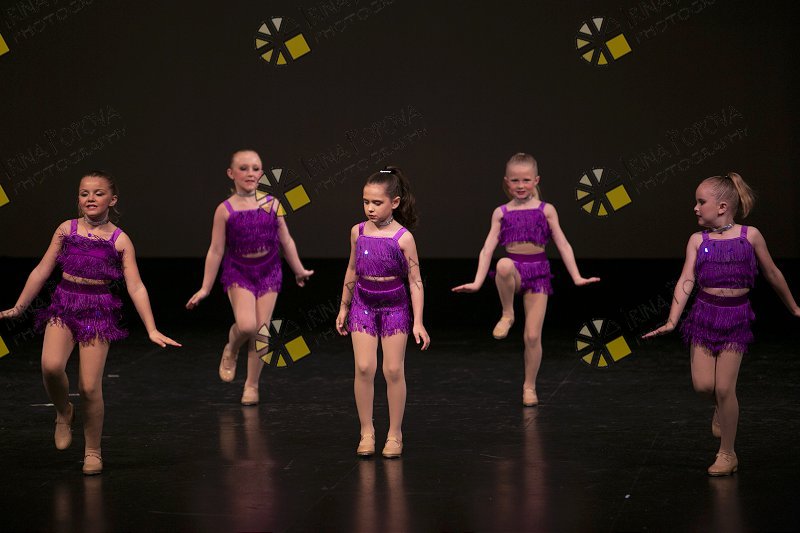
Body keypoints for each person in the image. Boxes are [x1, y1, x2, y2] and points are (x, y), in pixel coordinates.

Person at [0, 171, 180, 475]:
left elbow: (136, 286)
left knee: (88, 386)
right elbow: (42, 270)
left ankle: (93, 450)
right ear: (78, 198)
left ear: (113, 199)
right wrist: (20, 307)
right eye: (85, 193)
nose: (91, 198)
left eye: (98, 193)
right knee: (50, 366)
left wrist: (151, 328)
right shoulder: (66, 229)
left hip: (97, 310)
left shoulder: (119, 240)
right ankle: (63, 411)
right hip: (64, 303)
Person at [643, 172, 800, 475]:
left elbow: (772, 273)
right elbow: (687, 280)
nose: (695, 208)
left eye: (701, 202)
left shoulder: (750, 236)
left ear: (722, 206)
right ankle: (719, 406)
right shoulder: (697, 240)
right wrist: (672, 320)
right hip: (703, 316)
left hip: (735, 318)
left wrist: (793, 307)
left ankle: (727, 453)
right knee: (705, 386)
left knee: (726, 388)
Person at [453, 153, 599, 406]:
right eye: (515, 180)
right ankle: (507, 314)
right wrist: (477, 283)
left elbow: (563, 244)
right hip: (514, 272)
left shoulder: (546, 210)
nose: (520, 185)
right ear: (506, 182)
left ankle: (529, 386)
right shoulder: (501, 213)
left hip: (538, 274)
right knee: (503, 264)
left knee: (532, 336)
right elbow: (487, 249)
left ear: (536, 180)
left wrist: (577, 276)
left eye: (526, 180)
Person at [186, 149, 313, 405]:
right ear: (231, 173)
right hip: (239, 270)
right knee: (246, 326)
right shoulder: (224, 210)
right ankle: (232, 347)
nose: (250, 173)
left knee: (262, 332)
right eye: (243, 168)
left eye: (255, 168)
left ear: (262, 173)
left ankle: (252, 385)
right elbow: (216, 250)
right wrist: (205, 288)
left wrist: (298, 269)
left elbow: (286, 240)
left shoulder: (273, 204)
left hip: (269, 270)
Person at [335, 167, 430, 458]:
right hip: (363, 304)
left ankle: (394, 433)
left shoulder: (403, 238)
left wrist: (418, 321)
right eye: (366, 202)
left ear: (395, 202)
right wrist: (344, 306)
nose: (370, 208)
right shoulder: (358, 232)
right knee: (364, 367)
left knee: (392, 370)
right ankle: (366, 431)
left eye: (377, 202)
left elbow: (415, 280)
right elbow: (352, 269)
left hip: (394, 307)